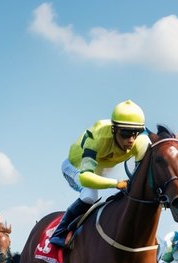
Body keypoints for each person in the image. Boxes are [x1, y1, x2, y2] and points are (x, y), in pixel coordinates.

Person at [49, 100, 150, 248]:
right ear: (114, 130)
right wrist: (116, 183)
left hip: (102, 168)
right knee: (90, 196)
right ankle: (59, 233)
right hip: (76, 167)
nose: (131, 140)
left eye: (135, 133)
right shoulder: (96, 136)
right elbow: (85, 177)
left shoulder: (142, 141)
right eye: (125, 134)